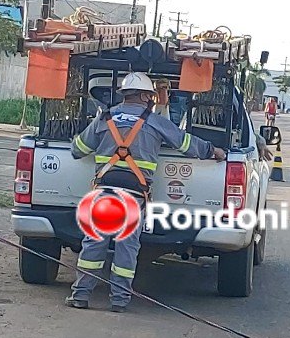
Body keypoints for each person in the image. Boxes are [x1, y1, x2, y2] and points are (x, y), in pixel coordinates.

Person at [66, 72, 226, 313]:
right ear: (144, 95)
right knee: (126, 247)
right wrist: (213, 151)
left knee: (94, 245)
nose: (153, 100)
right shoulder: (154, 121)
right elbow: (186, 144)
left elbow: (77, 150)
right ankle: (119, 301)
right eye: (151, 96)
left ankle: (80, 296)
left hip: (105, 192)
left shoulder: (104, 119)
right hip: (133, 195)